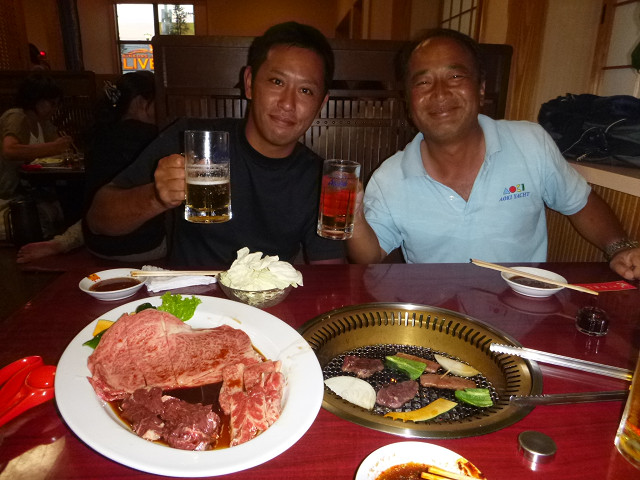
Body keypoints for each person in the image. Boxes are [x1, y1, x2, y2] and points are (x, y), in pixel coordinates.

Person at [346, 29, 640, 281]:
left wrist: (619, 248)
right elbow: (368, 256)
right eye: (423, 82)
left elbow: (580, 203)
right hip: (437, 316)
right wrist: (354, 216)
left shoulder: (530, 143)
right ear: (408, 99)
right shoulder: (389, 177)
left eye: (455, 76)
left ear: (481, 89)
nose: (439, 93)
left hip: (523, 310)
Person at [86, 22, 344, 267]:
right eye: (277, 82)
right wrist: (157, 197)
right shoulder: (192, 139)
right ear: (250, 83)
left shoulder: (320, 178)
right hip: (190, 295)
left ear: (321, 104)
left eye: (306, 91)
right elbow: (98, 221)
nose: (287, 103)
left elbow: (330, 272)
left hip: (268, 297)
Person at [16, 71, 164, 263]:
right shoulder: (152, 136)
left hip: (96, 244)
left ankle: (64, 241)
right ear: (140, 103)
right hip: (144, 247)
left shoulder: (99, 135)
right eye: (158, 102)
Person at [0, 73, 72, 239]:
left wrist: (63, 146)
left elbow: (59, 147)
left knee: (69, 204)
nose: (55, 109)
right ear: (37, 101)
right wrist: (53, 147)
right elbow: (10, 150)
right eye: (52, 103)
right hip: (10, 194)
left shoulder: (43, 123)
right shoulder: (17, 116)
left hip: (34, 190)